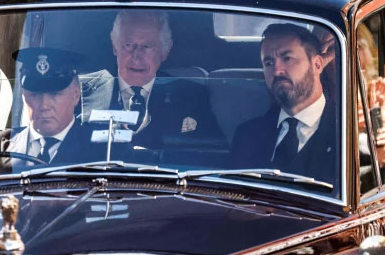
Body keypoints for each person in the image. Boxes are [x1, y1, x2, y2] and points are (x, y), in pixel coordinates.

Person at [81, 10, 223, 150]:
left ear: (165, 51)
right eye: (128, 45)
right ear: (115, 47)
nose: (136, 56)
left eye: (147, 47)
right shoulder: (81, 91)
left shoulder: (191, 96)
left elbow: (212, 154)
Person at [230, 23, 338, 185]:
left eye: (287, 58)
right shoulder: (248, 135)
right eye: (269, 63)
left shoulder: (345, 132)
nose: (277, 71)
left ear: (317, 64)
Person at [0, 47, 100, 172]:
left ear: (76, 94)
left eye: (55, 94)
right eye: (35, 95)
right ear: (23, 95)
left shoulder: (103, 150)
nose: (44, 105)